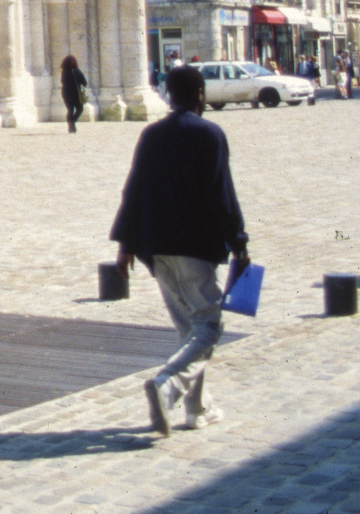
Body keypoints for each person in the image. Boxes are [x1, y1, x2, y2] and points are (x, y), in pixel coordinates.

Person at [109, 65, 248, 436]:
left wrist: (125, 248)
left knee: (188, 329)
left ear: (169, 95)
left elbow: (133, 191)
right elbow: (223, 194)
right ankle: (167, 384)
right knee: (207, 328)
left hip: (156, 250)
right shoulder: (209, 134)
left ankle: (196, 409)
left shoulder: (151, 134)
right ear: (200, 94)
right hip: (195, 247)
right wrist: (239, 244)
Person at [60, 55, 91, 134]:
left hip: (65, 92)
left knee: (70, 109)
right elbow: (84, 82)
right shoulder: (76, 70)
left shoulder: (64, 72)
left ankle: (71, 124)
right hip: (75, 92)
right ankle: (72, 122)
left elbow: (62, 81)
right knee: (80, 109)